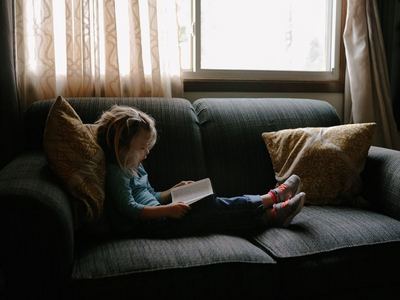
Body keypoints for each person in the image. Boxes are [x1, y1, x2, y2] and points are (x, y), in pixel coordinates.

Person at [96, 105, 306, 237]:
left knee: (210, 206)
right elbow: (130, 209)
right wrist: (168, 210)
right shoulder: (117, 173)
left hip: (161, 217)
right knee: (209, 209)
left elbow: (151, 196)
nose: (147, 153)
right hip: (152, 226)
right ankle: (271, 199)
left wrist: (172, 191)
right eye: (142, 148)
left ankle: (271, 215)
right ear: (121, 147)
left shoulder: (136, 167)